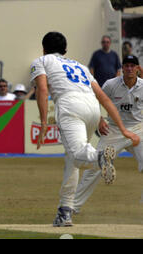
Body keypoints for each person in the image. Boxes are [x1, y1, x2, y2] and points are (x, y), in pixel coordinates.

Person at [31, 31, 140, 227]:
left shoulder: (41, 61)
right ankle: (65, 211)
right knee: (72, 160)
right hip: (92, 109)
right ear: (65, 49)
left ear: (44, 48)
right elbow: (104, 98)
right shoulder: (79, 66)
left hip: (69, 106)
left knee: (79, 155)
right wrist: (123, 129)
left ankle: (100, 157)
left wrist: (44, 122)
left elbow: (42, 89)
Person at [73, 55, 143, 213]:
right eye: (127, 66)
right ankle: (72, 207)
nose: (130, 68)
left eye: (133, 66)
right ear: (122, 68)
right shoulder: (111, 84)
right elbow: (93, 100)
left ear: (138, 69)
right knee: (95, 167)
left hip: (137, 128)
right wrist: (99, 119)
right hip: (113, 129)